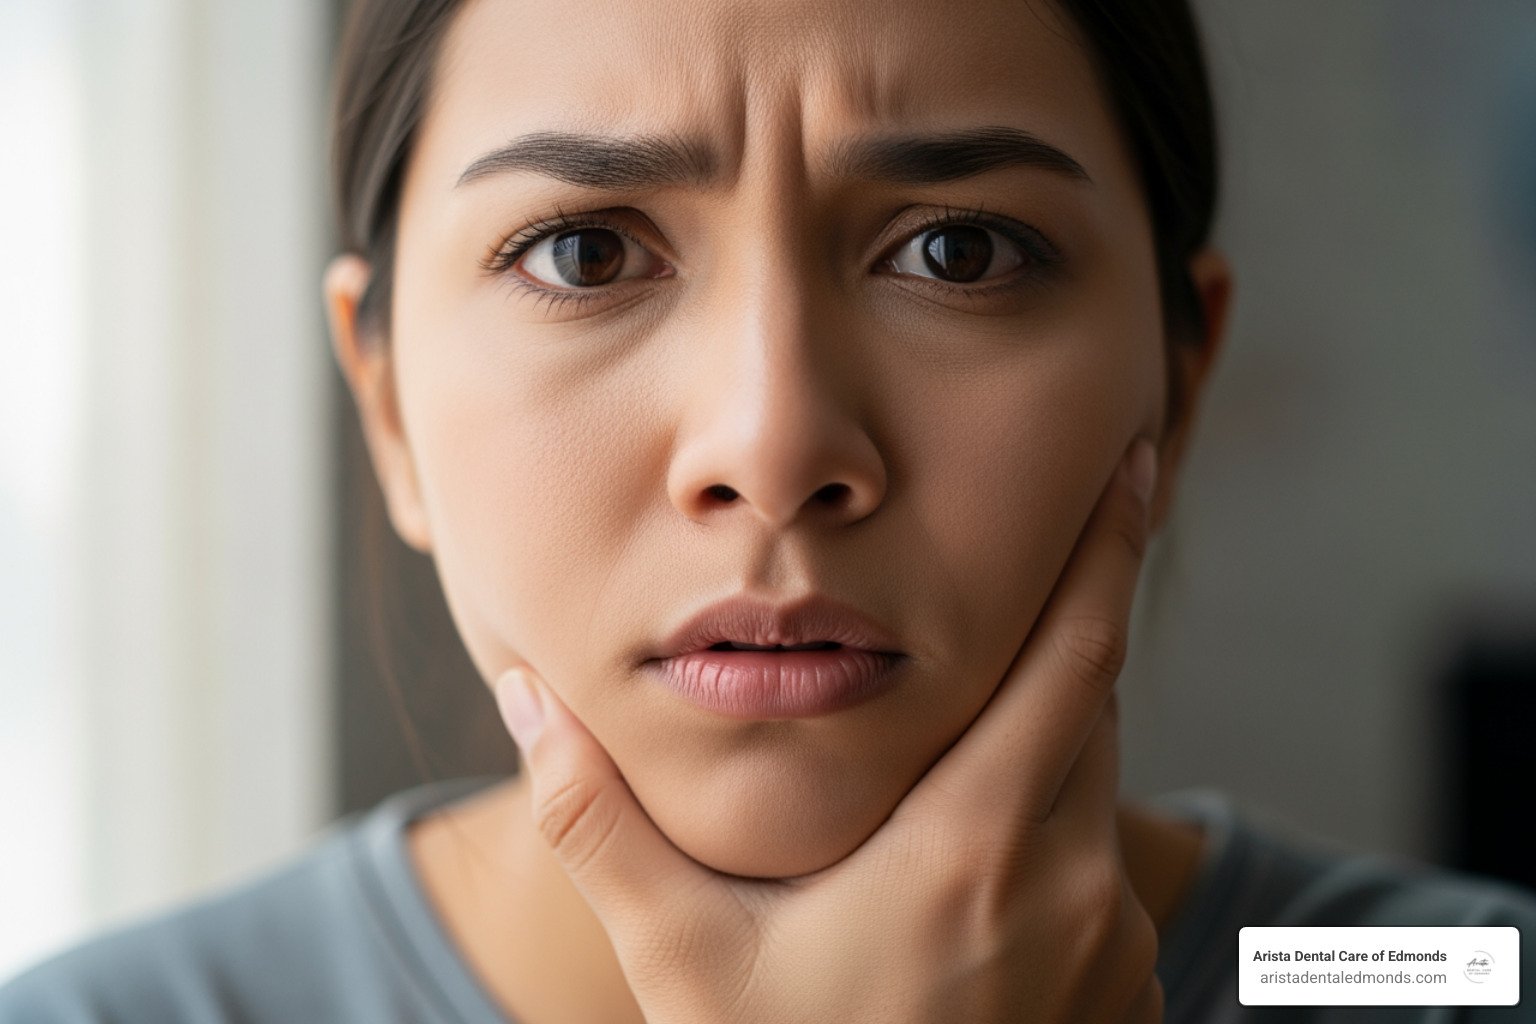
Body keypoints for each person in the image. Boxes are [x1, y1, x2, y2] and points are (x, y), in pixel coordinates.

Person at [3, 0, 1534, 1020]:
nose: (775, 440)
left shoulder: (1415, 975)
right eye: (587, 254)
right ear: (388, 403)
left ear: (1176, 384)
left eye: (959, 252)